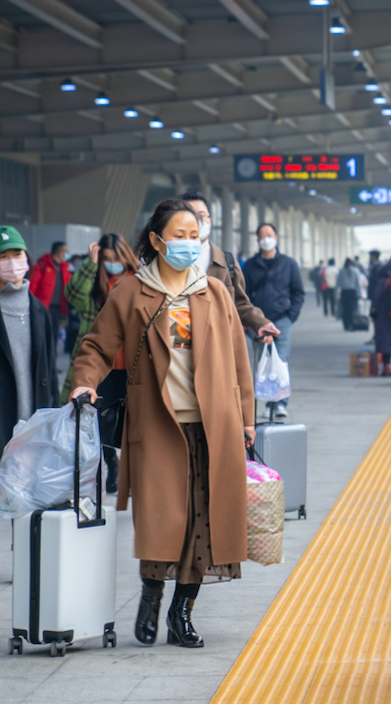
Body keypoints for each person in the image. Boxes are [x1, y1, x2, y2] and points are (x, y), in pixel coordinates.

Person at [70, 199, 254, 649]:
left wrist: (247, 420)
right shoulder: (132, 293)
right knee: (160, 519)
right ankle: (152, 593)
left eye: (195, 237)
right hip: (155, 425)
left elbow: (237, 361)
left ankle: (181, 613)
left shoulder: (214, 291)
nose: (189, 245)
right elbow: (95, 346)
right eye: (179, 236)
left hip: (214, 426)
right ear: (156, 240)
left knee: (202, 522)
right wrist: (83, 384)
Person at [62, 233, 139, 493]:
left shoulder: (138, 279)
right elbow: (73, 297)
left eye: (116, 259)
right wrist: (90, 265)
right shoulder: (96, 277)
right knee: (99, 422)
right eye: (107, 260)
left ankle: (129, 469)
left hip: (132, 365)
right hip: (101, 366)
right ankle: (110, 463)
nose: (112, 264)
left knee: (131, 420)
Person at [180, 191, 280, 346]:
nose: (197, 221)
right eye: (190, 216)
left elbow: (239, 303)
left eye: (201, 215)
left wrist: (260, 322)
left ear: (210, 221)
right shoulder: (168, 260)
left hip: (217, 344)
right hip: (180, 341)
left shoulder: (226, 262)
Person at [0, 227, 59, 448]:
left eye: (16, 254)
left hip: (35, 428)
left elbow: (51, 371)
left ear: (27, 259)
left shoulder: (40, 311)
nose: (11, 262)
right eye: (3, 256)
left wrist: (54, 416)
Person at [242, 223, 305, 418]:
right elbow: (243, 294)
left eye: (269, 234)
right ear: (257, 240)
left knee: (281, 360)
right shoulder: (251, 265)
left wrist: (290, 316)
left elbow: (298, 292)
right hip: (259, 323)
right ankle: (268, 402)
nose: (266, 238)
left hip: (281, 320)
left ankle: (280, 403)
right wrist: (249, 320)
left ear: (276, 238)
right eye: (262, 235)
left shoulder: (289, 264)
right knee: (263, 362)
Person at [29, 240, 71, 356]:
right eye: (65, 252)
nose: (66, 255)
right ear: (59, 252)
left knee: (54, 337)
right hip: (41, 308)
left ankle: (52, 367)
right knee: (42, 337)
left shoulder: (64, 270)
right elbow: (32, 286)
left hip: (57, 309)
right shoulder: (41, 267)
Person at [337, 257, 365, 331]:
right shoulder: (355, 270)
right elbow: (357, 284)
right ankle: (352, 324)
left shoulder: (341, 271)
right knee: (353, 308)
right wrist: (359, 294)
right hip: (353, 292)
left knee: (345, 309)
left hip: (344, 292)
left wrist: (336, 293)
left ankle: (346, 324)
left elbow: (338, 283)